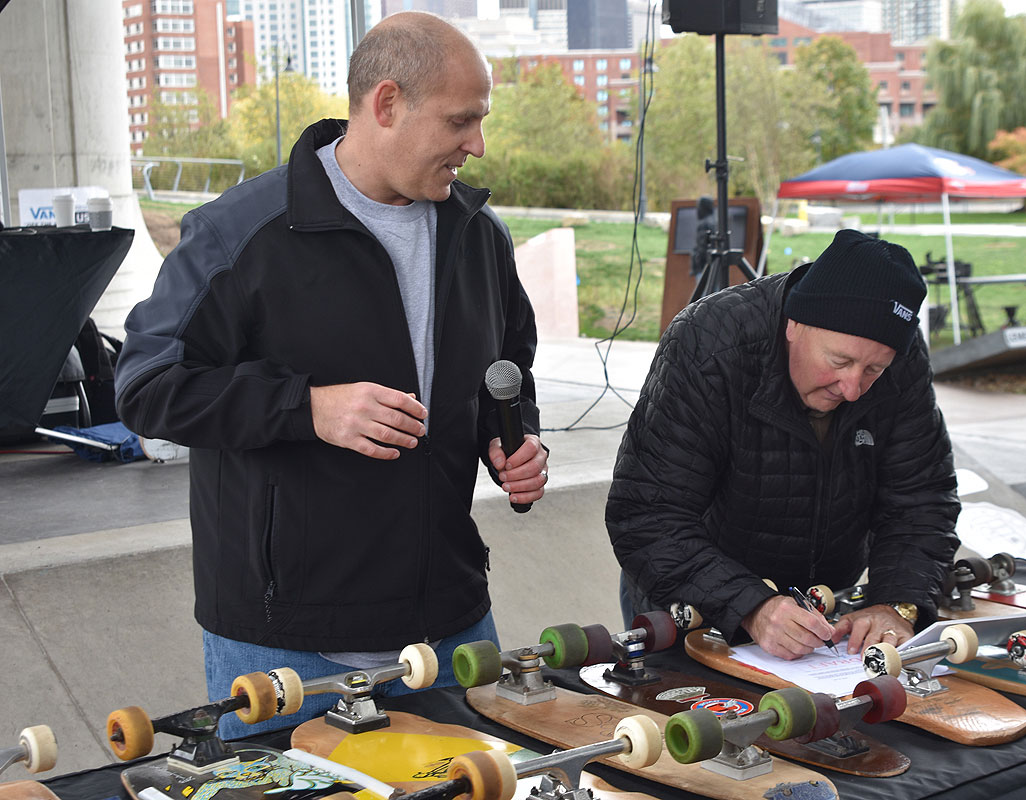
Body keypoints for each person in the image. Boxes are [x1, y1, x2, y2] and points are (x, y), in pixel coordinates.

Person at [114, 11, 548, 735]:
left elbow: (507, 372)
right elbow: (145, 384)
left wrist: (512, 440)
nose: (477, 144)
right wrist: (304, 408)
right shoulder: (240, 232)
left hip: (451, 624)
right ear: (386, 105)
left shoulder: (478, 234)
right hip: (283, 642)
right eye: (460, 122)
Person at [607, 229, 961, 660]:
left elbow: (922, 501)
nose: (852, 389)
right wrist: (751, 605)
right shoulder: (709, 344)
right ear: (795, 323)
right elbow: (647, 515)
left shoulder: (899, 359)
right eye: (839, 361)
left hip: (825, 621)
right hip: (694, 611)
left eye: (873, 370)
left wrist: (896, 603)